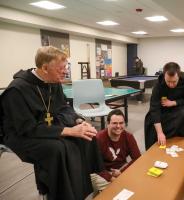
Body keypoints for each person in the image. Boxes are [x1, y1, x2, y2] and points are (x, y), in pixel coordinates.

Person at [0, 46, 107, 200]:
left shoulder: (53, 81)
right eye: (61, 68)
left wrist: (79, 120)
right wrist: (70, 131)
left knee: (86, 136)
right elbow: (27, 128)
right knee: (57, 148)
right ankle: (58, 194)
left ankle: (84, 184)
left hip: (47, 126)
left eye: (66, 67)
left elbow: (63, 107)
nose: (65, 72)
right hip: (21, 134)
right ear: (44, 68)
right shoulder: (17, 90)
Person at [144, 62, 184, 150]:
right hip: (163, 108)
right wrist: (160, 132)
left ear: (179, 76)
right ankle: (153, 149)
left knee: (183, 115)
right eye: (168, 82)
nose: (171, 85)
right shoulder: (158, 86)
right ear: (164, 76)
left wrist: (173, 102)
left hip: (179, 105)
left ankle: (180, 144)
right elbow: (154, 108)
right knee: (150, 119)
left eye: (174, 82)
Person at [96, 109, 141, 180]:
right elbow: (95, 165)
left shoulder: (128, 136)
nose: (118, 126)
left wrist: (122, 171)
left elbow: (137, 158)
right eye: (114, 123)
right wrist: (110, 178)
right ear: (108, 123)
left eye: (121, 123)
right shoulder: (98, 138)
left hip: (121, 168)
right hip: (103, 172)